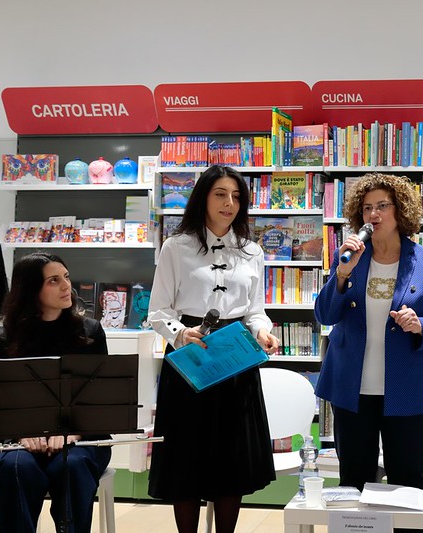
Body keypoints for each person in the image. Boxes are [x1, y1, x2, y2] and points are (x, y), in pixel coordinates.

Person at [315, 173, 423, 531]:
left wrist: (420, 325)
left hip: (406, 390)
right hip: (352, 389)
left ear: (400, 210)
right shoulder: (349, 257)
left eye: (382, 206)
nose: (373, 214)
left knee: (408, 481)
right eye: (367, 208)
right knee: (354, 481)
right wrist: (342, 275)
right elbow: (325, 315)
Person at [148, 165, 280, 533]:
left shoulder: (252, 251)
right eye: (221, 194)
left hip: (236, 359)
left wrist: (263, 331)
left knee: (232, 460)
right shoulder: (176, 246)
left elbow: (255, 311)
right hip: (190, 357)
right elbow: (158, 311)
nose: (229, 203)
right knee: (186, 457)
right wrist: (180, 334)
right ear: (203, 198)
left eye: (236, 196)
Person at [0, 252, 110, 533]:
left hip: (81, 440)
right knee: (15, 467)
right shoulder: (4, 338)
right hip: (22, 441)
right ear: (31, 289)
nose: (66, 286)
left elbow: (99, 400)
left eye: (66, 277)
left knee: (71, 467)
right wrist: (20, 433)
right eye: (53, 280)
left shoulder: (90, 332)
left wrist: (74, 432)